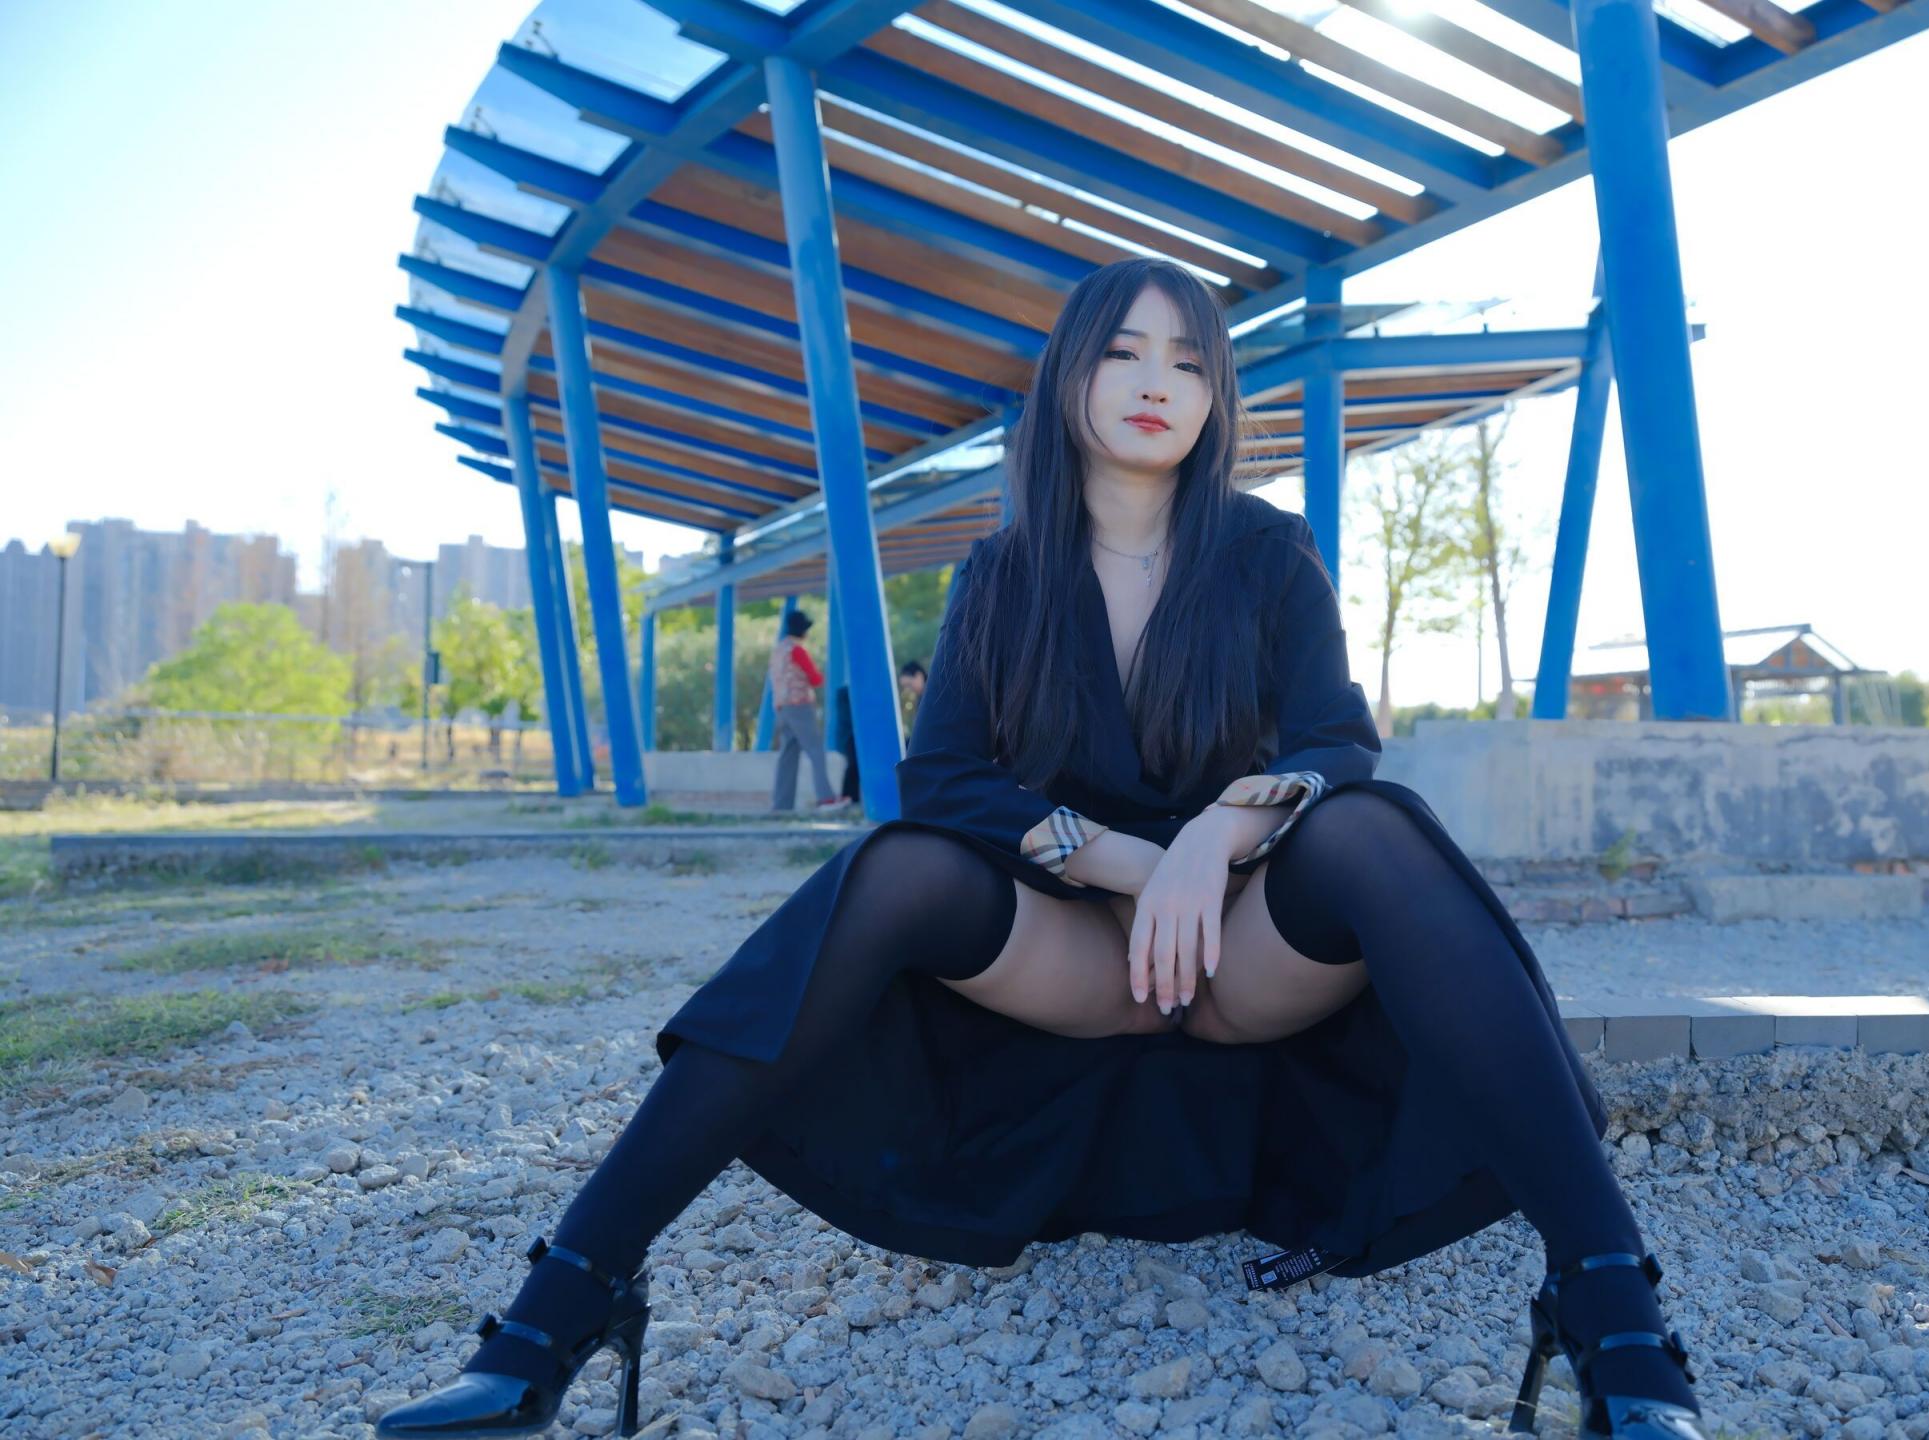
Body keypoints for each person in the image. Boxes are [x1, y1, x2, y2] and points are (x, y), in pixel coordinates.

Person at [375, 257, 1706, 1440]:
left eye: (1190, 362)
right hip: (1078, 952)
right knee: (892, 867)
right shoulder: (1001, 575)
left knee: (1378, 830)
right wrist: (1128, 865)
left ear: (1214, 398)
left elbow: (1334, 743)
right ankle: (562, 1308)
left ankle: (1612, 1317)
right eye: (1124, 351)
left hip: (1247, 950)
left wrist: (1209, 843)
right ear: (1071, 375)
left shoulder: (1268, 553)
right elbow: (945, 777)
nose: (1157, 382)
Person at [767, 608, 846, 812]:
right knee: (816, 751)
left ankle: (781, 805)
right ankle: (826, 799)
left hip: (782, 708)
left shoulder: (778, 651)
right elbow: (816, 679)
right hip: (800, 706)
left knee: (788, 756)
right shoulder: (797, 650)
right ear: (803, 630)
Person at [835, 659, 927, 805]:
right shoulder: (923, 697)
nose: (908, 690)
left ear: (919, 676)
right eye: (906, 687)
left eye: (909, 685)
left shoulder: (930, 695)